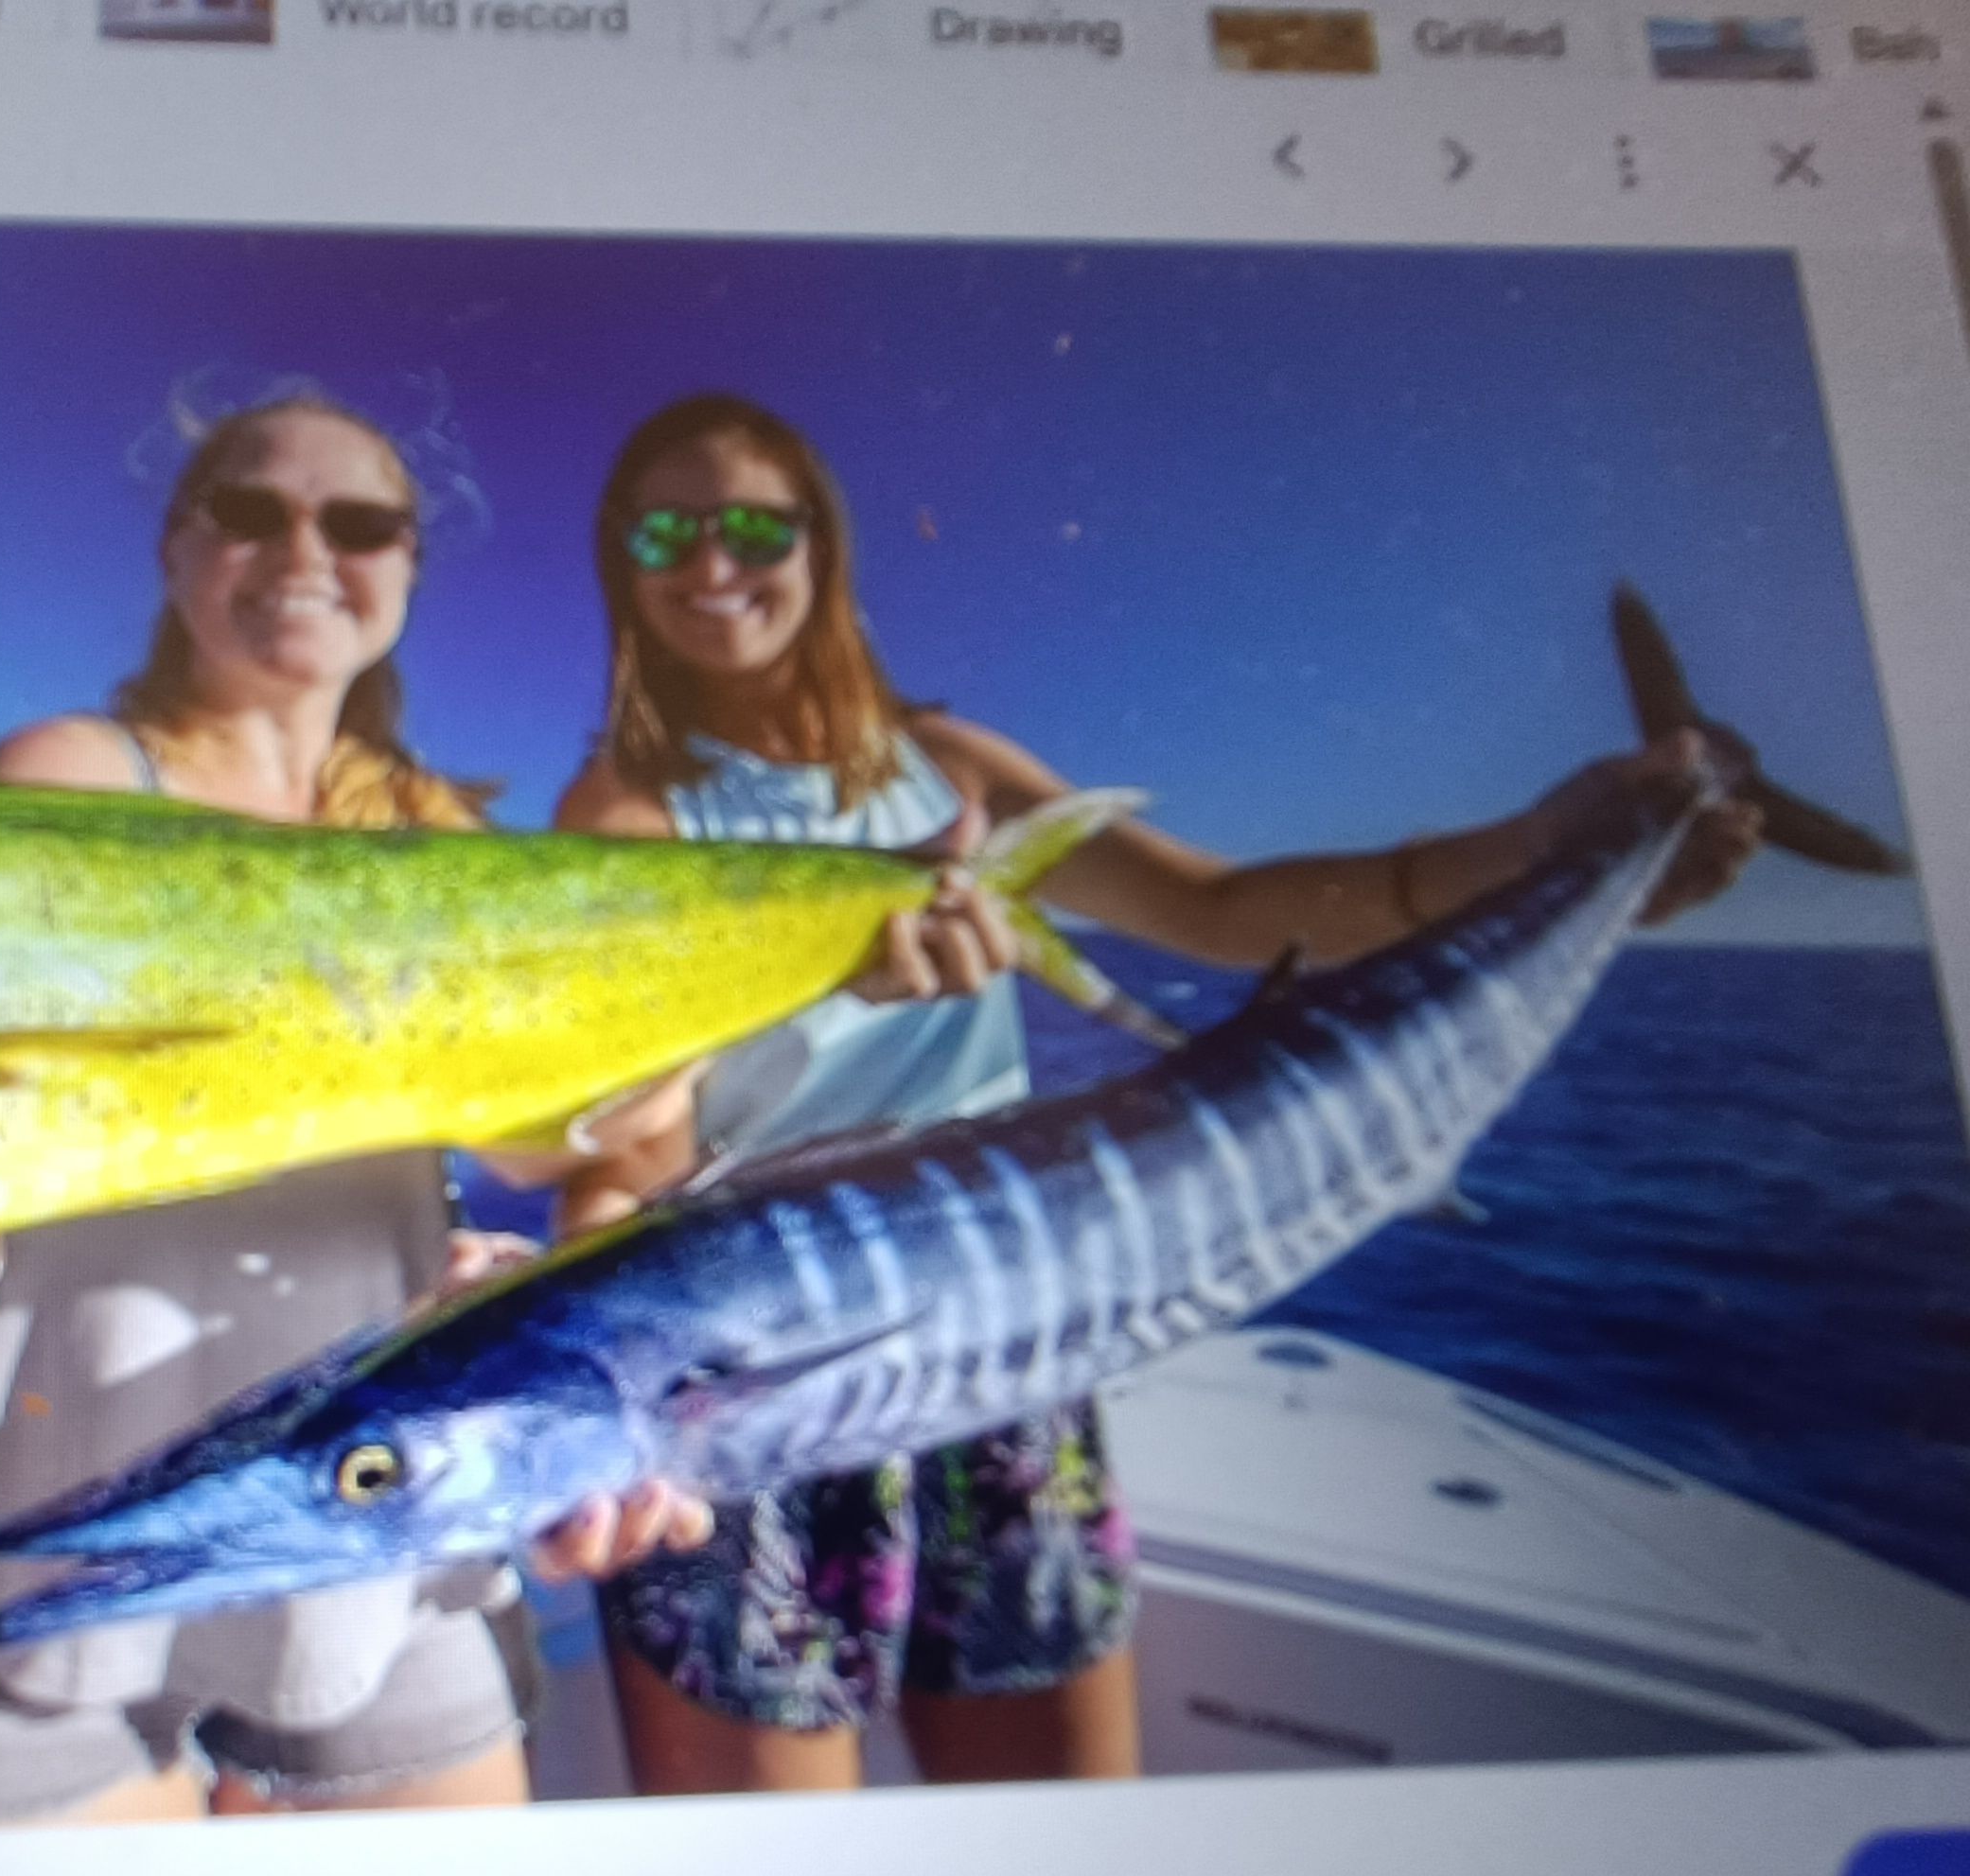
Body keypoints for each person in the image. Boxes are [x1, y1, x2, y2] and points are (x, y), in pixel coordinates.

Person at [554, 392, 1760, 1799]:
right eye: (664, 535)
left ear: (820, 544)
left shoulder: (952, 769)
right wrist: (599, 1357)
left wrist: (1543, 847)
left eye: (754, 528)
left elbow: (1225, 913)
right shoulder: (624, 812)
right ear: (621, 563)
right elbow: (634, 1142)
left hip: (1017, 1346)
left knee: (1067, 1845)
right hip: (764, 1377)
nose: (710, 565)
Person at [0, 394, 706, 1831]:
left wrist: (569, 1271)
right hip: (34, 1523)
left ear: (407, 572)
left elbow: (534, 1141)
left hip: (362, 1529)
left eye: (360, 525)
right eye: (251, 512)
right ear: (178, 550)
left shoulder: (440, 833)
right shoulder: (69, 776)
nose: (306, 551)